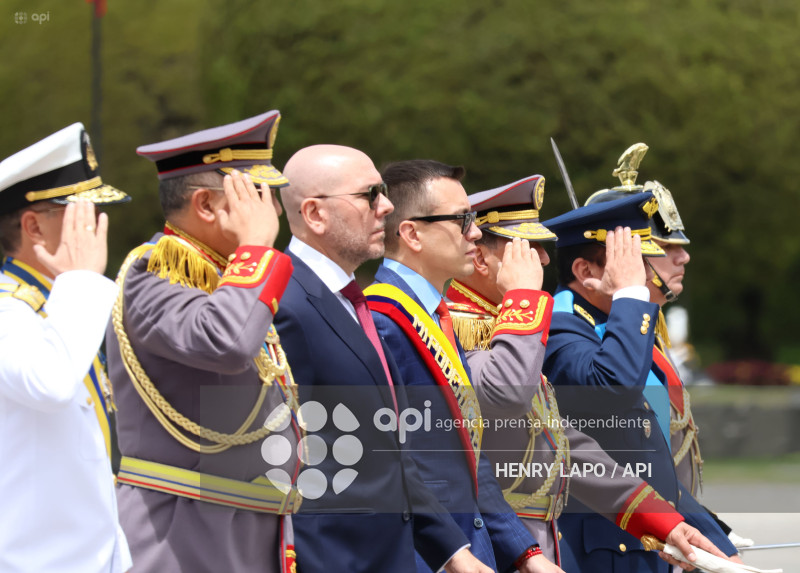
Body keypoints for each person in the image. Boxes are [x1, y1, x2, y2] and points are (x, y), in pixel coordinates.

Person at [446, 175, 737, 570]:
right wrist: (528, 297)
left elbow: (564, 445)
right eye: (529, 248)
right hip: (492, 548)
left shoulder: (507, 323)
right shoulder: (464, 329)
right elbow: (585, 397)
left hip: (540, 547)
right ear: (481, 259)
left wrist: (670, 523)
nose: (545, 259)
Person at [275, 144, 491, 573]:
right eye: (370, 195)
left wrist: (453, 553)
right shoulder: (286, 302)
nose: (387, 207)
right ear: (315, 214)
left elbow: (387, 450)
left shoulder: (348, 303)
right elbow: (280, 468)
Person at [107, 111, 302, 573]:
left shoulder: (222, 277)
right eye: (260, 196)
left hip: (247, 525)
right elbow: (228, 343)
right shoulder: (153, 274)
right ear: (207, 206)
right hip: (182, 531)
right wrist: (256, 247)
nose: (273, 212)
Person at [366, 160, 563, 573]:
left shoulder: (433, 315)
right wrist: (453, 553)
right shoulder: (383, 317)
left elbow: (470, 459)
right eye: (461, 220)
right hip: (427, 557)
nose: (474, 233)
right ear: (411, 233)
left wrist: (525, 553)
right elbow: (400, 464)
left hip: (472, 551)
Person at [540, 192, 741, 571]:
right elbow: (613, 390)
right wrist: (631, 293)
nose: (639, 273)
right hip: (600, 553)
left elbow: (647, 461)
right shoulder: (559, 329)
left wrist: (709, 534)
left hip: (642, 542)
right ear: (586, 272)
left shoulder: (612, 326)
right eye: (632, 260)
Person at [585, 142, 754, 548]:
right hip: (622, 540)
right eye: (664, 247)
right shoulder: (582, 333)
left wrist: (712, 529)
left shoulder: (649, 329)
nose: (683, 257)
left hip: (663, 532)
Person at [0, 123, 132, 572]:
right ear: (33, 226)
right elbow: (51, 382)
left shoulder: (60, 304)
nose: (96, 229)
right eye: (81, 216)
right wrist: (81, 280)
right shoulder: (9, 308)